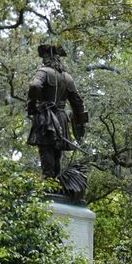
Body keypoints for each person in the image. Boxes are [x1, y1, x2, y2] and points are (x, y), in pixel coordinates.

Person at [26, 42, 88, 181]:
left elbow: (34, 86)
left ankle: (48, 181)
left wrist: (33, 106)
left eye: (44, 57)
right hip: (61, 117)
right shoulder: (67, 77)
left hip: (46, 117)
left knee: (46, 148)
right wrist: (81, 122)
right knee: (56, 152)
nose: (43, 60)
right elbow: (77, 101)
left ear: (48, 58)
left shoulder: (43, 72)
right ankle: (55, 181)